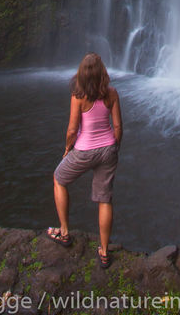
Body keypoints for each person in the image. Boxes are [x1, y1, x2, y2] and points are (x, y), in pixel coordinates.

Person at [47, 53, 123, 269]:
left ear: (81, 74)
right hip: (108, 150)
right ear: (102, 73)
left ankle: (64, 232)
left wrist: (67, 148)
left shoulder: (78, 97)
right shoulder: (112, 94)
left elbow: (72, 129)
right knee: (104, 199)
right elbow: (118, 126)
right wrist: (115, 147)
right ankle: (105, 251)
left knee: (59, 179)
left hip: (84, 150)